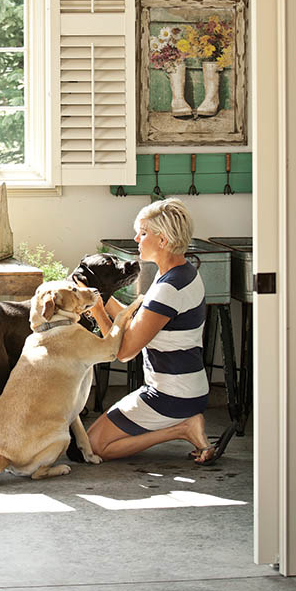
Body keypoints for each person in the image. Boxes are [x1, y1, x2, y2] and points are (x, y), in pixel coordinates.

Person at [85, 198, 216, 464]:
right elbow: (138, 320)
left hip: (171, 395)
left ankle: (181, 429)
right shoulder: (182, 272)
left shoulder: (168, 289)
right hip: (187, 387)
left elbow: (123, 352)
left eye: (143, 233)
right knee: (96, 439)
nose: (136, 238)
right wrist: (102, 295)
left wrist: (97, 310)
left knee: (94, 445)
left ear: (163, 241)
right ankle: (184, 423)